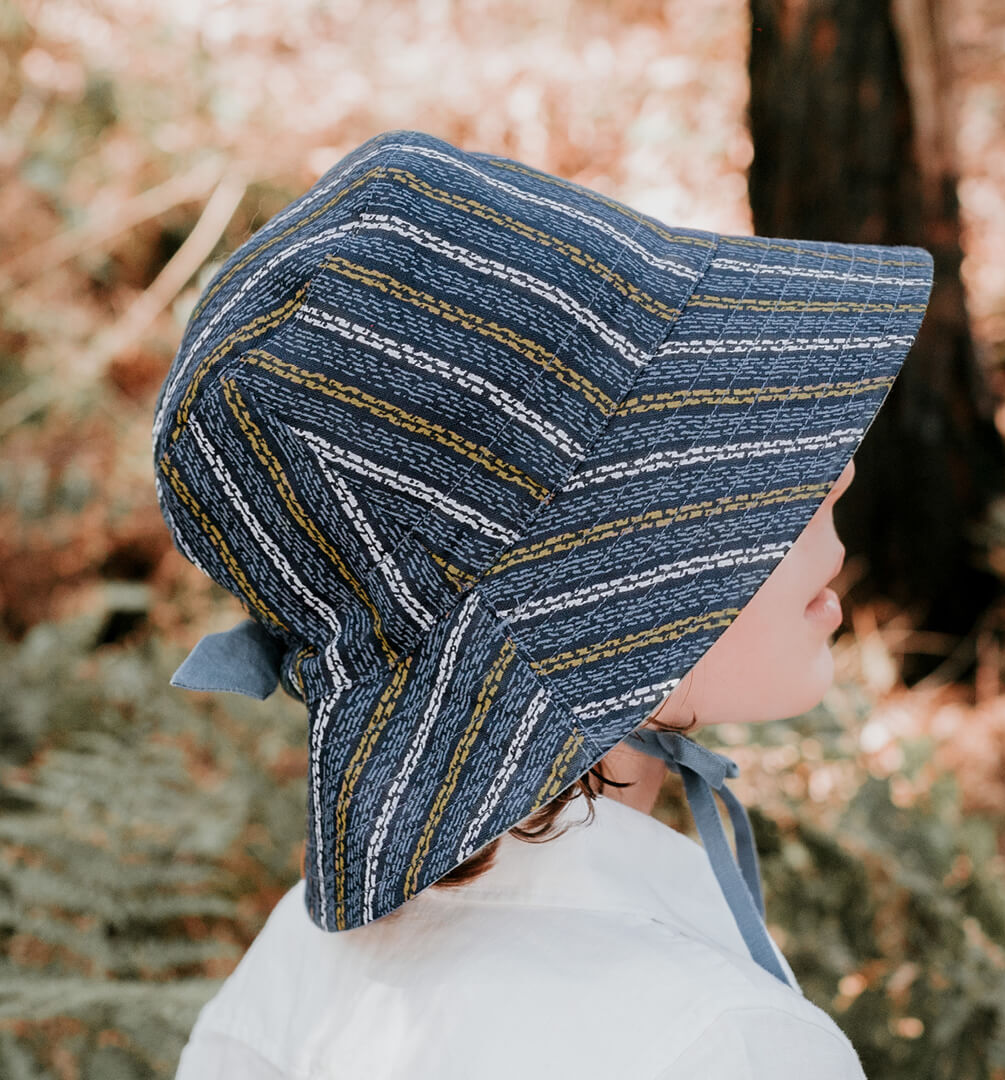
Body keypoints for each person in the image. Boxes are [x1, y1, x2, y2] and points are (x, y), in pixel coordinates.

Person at [156, 128, 933, 1078]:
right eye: (737, 465)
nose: (839, 471)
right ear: (594, 603)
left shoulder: (278, 992)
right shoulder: (717, 1045)